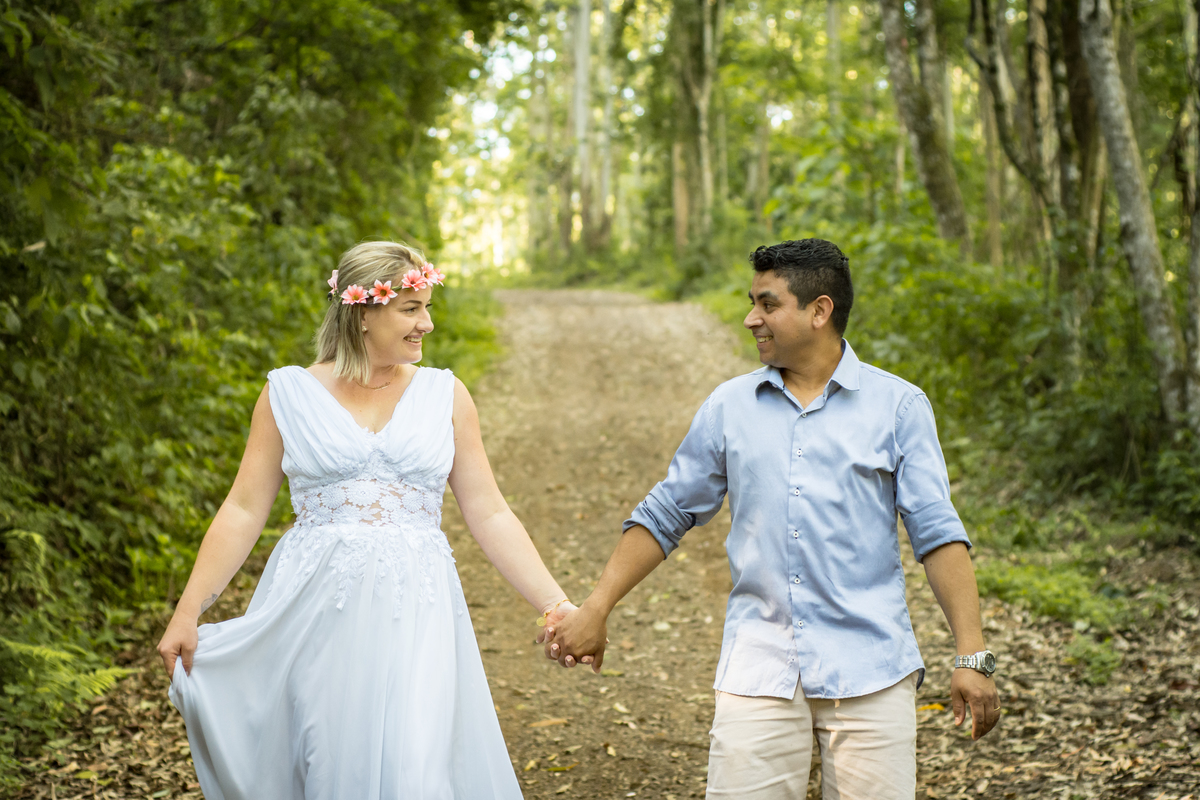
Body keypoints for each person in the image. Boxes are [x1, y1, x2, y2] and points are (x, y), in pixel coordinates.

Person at [542, 239, 1000, 799]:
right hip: (760, 667)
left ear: (819, 310)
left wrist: (971, 655)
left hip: (871, 668)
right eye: (751, 303)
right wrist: (596, 607)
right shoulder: (729, 406)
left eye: (767, 304)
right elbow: (667, 512)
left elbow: (937, 534)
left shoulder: (899, 407)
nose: (750, 318)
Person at [157, 240, 579, 799]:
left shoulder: (445, 395)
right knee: (327, 759)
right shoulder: (287, 393)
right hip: (313, 614)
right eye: (411, 308)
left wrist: (556, 604)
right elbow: (242, 509)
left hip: (417, 613)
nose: (426, 324)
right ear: (362, 311)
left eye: (427, 307)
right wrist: (187, 612)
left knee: (417, 765)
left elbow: (491, 511)